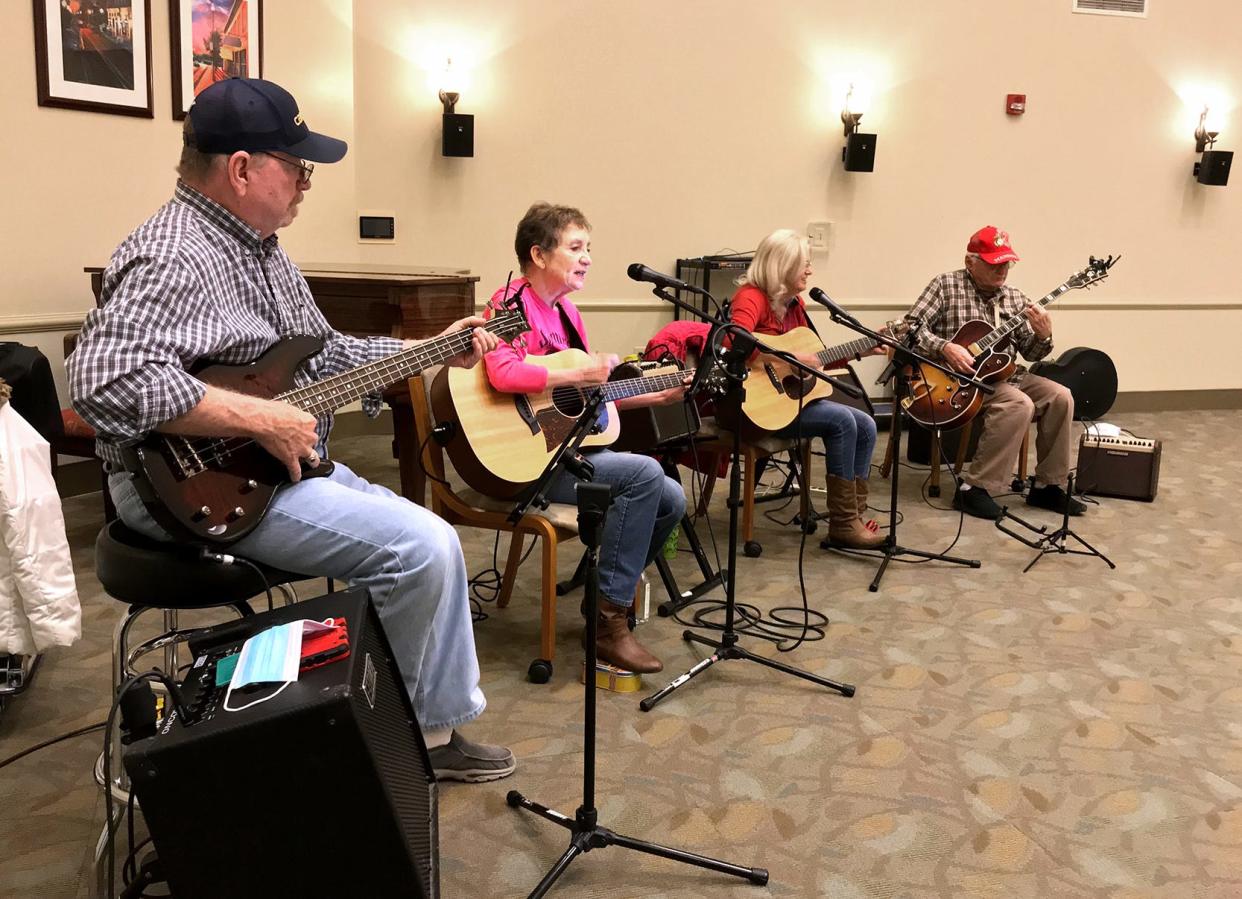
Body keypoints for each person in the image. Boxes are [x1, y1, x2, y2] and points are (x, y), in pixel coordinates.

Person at [68, 78, 514, 783]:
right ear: (242, 169)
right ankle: (370, 753)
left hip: (266, 471)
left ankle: (427, 726)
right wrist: (257, 416)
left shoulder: (263, 249)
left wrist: (432, 350)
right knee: (420, 547)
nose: (308, 181)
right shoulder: (175, 252)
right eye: (297, 165)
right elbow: (101, 380)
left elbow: (327, 354)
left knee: (439, 545)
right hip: (181, 488)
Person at [482, 203, 686, 674]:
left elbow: (584, 398)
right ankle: (609, 626)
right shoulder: (507, 304)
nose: (588, 257)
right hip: (525, 460)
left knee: (671, 499)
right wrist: (581, 369)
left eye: (588, 248)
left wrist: (652, 397)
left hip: (564, 449)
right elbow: (502, 371)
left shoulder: (568, 313)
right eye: (576, 247)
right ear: (538, 254)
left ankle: (605, 599)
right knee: (643, 473)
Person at [904, 225, 1084, 520]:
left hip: (1007, 374)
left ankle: (1048, 486)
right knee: (1017, 403)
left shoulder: (1014, 298)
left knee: (1061, 396)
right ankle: (973, 489)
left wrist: (1043, 337)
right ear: (970, 262)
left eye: (1006, 263)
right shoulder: (945, 286)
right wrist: (945, 347)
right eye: (994, 264)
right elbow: (910, 329)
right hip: (959, 381)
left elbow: (1032, 353)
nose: (1002, 270)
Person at [729, 228, 884, 549]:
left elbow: (815, 357)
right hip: (752, 407)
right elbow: (735, 340)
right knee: (842, 421)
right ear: (782, 265)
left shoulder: (795, 304)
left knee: (867, 423)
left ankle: (853, 515)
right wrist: (786, 355)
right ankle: (843, 525)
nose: (810, 270)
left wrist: (864, 348)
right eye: (805, 263)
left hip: (790, 402)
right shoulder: (751, 297)